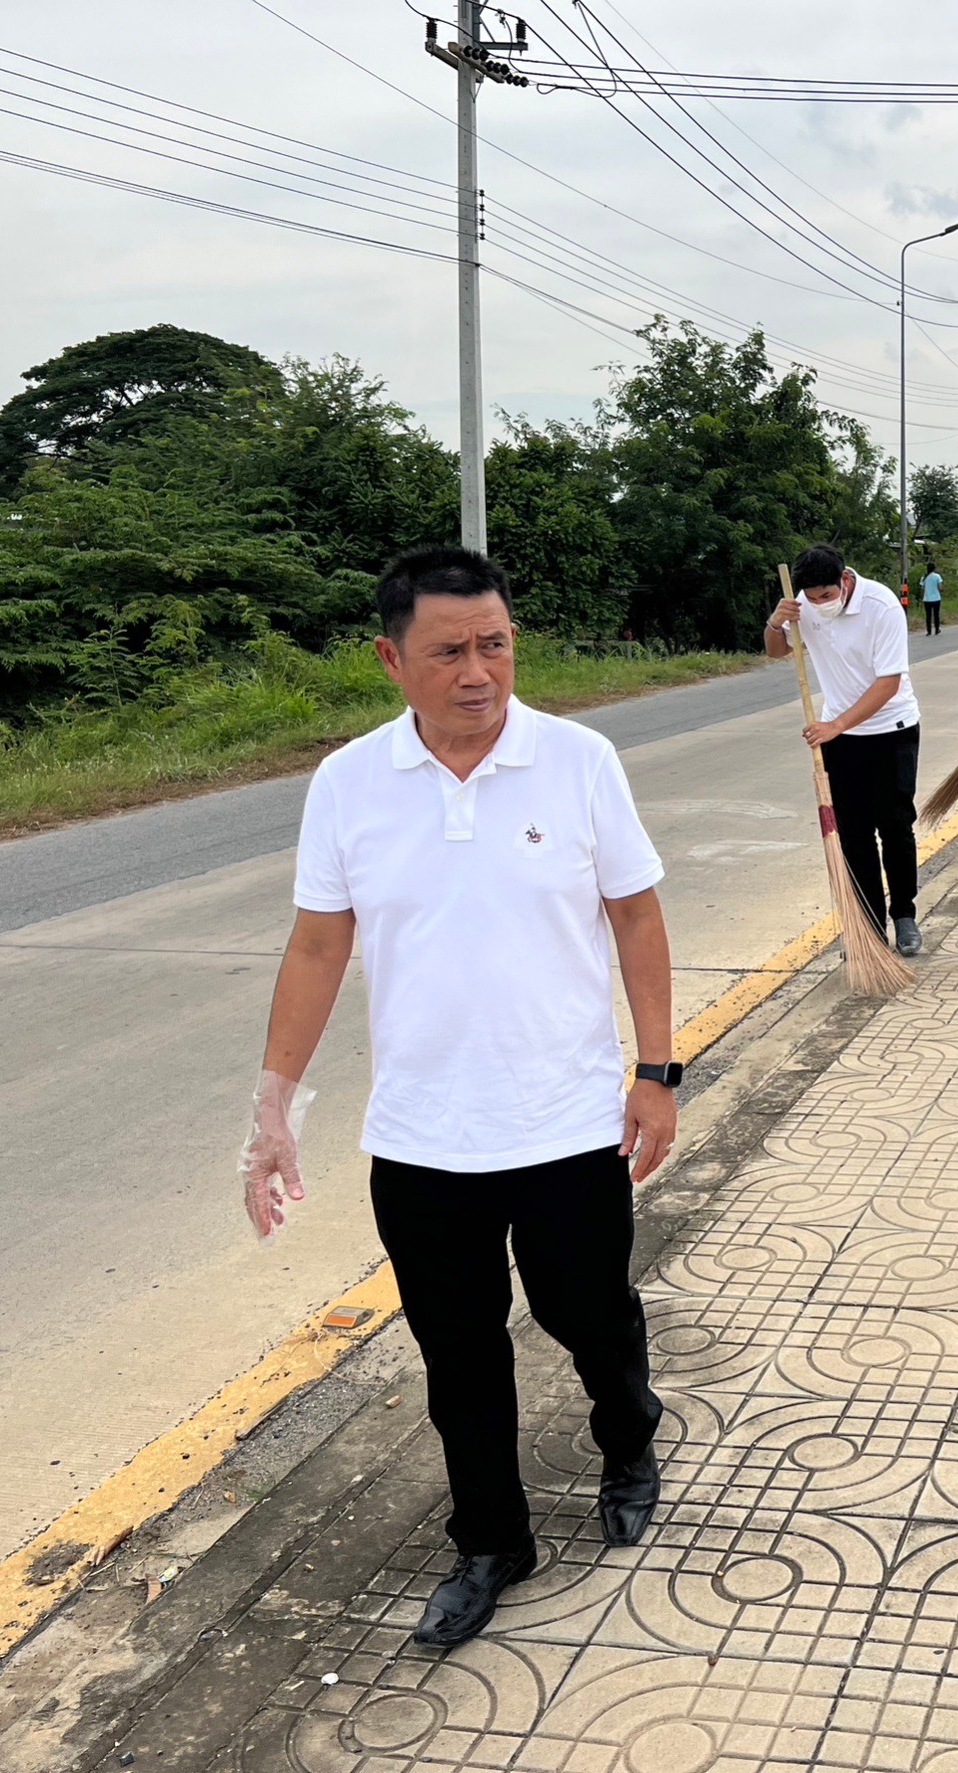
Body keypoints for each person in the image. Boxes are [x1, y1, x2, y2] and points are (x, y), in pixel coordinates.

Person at [240, 545, 678, 1650]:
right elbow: (315, 948)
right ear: (393, 659)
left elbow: (635, 915)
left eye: (495, 644)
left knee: (589, 1315)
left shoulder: (577, 760)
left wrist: (658, 1071)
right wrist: (273, 1106)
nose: (479, 670)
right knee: (459, 1355)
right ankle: (492, 1538)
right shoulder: (347, 783)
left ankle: (629, 1438)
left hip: (569, 1119)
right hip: (424, 1138)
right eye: (449, 651)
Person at [767, 545, 925, 956]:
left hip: (892, 728)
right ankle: (868, 927)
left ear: (844, 580)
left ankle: (904, 914)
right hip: (839, 737)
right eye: (812, 598)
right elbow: (777, 650)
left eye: (827, 596)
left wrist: (835, 725)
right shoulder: (802, 604)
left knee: (895, 825)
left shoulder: (882, 606)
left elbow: (888, 683)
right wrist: (775, 623)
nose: (819, 604)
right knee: (853, 835)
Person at [921, 564, 945, 636]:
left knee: (928, 615)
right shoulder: (937, 576)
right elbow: (940, 587)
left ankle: (929, 631)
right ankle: (937, 629)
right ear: (934, 568)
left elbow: (923, 588)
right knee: (936, 614)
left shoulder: (924, 577)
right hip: (936, 598)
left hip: (927, 599)